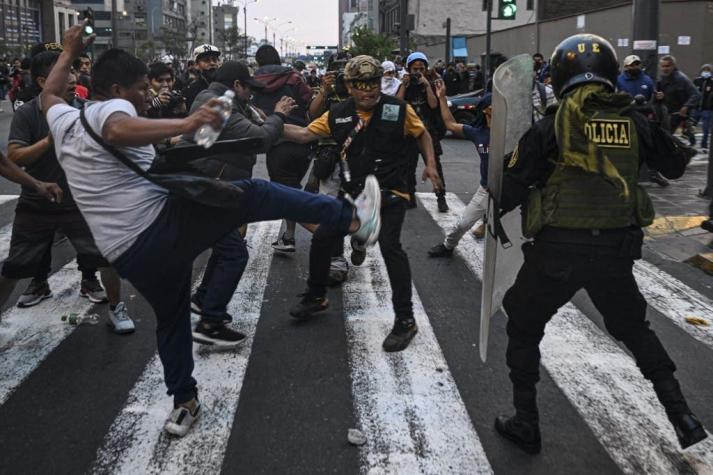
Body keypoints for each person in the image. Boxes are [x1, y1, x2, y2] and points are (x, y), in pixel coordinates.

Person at [43, 23, 381, 437]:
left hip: (129, 256)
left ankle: (184, 403)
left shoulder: (64, 120)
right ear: (116, 89)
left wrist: (68, 49)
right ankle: (352, 220)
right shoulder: (109, 112)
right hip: (157, 229)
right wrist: (186, 125)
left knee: (171, 320)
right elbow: (116, 129)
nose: (146, 97)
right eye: (139, 90)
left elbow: (49, 94)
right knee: (256, 193)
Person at [493, 34, 707, 454]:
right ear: (611, 73)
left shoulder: (552, 123)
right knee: (634, 329)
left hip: (557, 252)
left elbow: (506, 190)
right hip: (614, 252)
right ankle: (683, 416)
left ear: (558, 76)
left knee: (522, 322)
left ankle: (526, 422)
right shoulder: (635, 120)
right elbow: (677, 165)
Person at [283, 55, 443, 352]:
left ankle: (405, 320)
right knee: (322, 238)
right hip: (353, 191)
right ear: (350, 86)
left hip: (391, 191)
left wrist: (430, 165)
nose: (368, 91)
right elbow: (304, 134)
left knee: (391, 247)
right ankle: (316, 296)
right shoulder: (338, 112)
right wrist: (268, 125)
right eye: (360, 85)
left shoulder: (398, 108)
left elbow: (423, 134)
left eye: (373, 83)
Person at [3, 51, 134, 332]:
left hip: (82, 203)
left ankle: (116, 308)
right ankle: (38, 286)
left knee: (105, 258)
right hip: (36, 202)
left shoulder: (89, 110)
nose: (74, 77)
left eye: (74, 71)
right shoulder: (28, 113)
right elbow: (14, 157)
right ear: (42, 81)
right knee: (14, 267)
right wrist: (51, 139)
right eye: (65, 73)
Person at [184, 60, 294, 329]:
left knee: (226, 249)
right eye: (248, 88)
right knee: (234, 253)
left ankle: (203, 298)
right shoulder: (220, 105)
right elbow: (259, 140)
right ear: (236, 85)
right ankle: (211, 322)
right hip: (209, 188)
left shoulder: (219, 99)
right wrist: (279, 115)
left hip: (212, 186)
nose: (251, 93)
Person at [253, 45, 314, 253]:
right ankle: (288, 236)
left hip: (277, 143)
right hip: (303, 141)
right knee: (292, 190)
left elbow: (252, 111)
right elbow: (308, 102)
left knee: (289, 196)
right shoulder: (294, 78)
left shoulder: (254, 82)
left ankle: (328, 229)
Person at [429, 85, 491, 258]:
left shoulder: (510, 132)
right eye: (495, 104)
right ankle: (448, 247)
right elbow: (450, 124)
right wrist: (442, 98)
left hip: (509, 190)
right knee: (463, 224)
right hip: (486, 189)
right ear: (486, 110)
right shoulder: (478, 133)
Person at [397, 52, 448, 211]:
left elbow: (433, 105)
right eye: (414, 69)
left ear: (426, 69)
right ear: (408, 69)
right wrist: (404, 86)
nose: (418, 72)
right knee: (407, 168)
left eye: (421, 68)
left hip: (428, 131)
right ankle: (410, 197)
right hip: (409, 134)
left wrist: (426, 85)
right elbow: (397, 104)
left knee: (435, 166)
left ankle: (441, 197)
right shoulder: (405, 84)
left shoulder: (430, 84)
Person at [656, 55, 700, 146]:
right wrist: (660, 96)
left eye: (667, 66)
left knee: (667, 138)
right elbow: (661, 94)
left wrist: (686, 106)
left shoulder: (682, 79)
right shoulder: (662, 79)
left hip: (681, 114)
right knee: (664, 137)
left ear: (673, 66)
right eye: (663, 66)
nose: (665, 69)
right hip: (668, 112)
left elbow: (696, 94)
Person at [182, 44, 221, 109]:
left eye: (214, 60)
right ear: (196, 65)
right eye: (206, 60)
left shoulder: (225, 84)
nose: (212, 63)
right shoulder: (191, 89)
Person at [693, 64, 713, 149]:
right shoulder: (697, 81)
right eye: (704, 70)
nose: (706, 72)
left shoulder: (712, 82)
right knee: (691, 128)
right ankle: (691, 142)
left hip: (707, 109)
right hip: (696, 108)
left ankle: (703, 145)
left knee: (705, 130)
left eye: (708, 70)